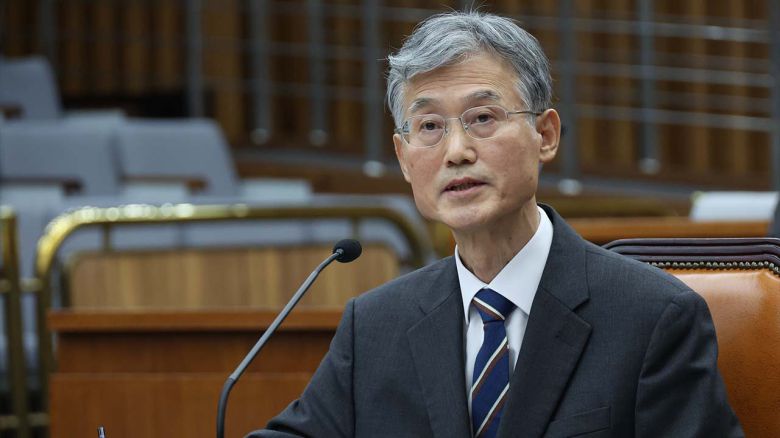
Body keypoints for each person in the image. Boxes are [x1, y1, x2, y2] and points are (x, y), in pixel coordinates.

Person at [249, 11, 742, 437]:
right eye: (429, 126)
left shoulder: (653, 317)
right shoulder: (374, 327)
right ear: (403, 158)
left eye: (482, 118)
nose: (456, 151)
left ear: (545, 135)